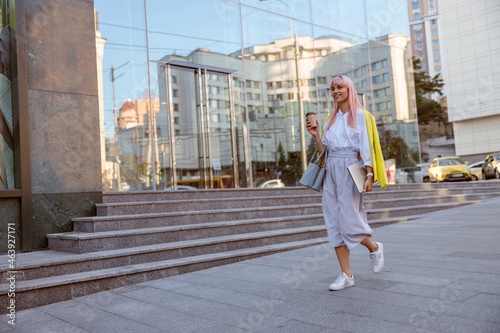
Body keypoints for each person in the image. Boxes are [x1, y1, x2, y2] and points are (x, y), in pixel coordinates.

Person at [306, 75, 385, 291]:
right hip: (330, 169)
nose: (335, 91)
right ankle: (346, 275)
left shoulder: (360, 116)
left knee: (350, 220)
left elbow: (366, 147)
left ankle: (374, 248)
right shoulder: (328, 121)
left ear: (349, 89)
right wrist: (315, 136)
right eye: (333, 88)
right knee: (334, 223)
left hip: (351, 169)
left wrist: (369, 174)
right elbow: (324, 153)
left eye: (340, 87)